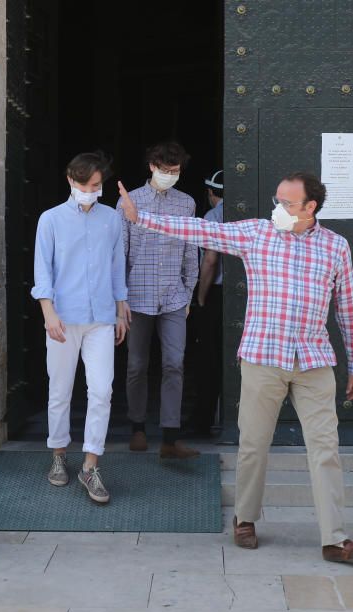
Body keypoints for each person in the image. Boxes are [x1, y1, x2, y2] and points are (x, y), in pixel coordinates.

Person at [117, 172, 353, 563]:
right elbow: (197, 230)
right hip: (262, 358)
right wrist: (142, 218)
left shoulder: (336, 247)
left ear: (311, 207)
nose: (278, 209)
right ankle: (245, 518)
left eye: (287, 203)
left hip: (314, 361)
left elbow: (348, 308)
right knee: (253, 445)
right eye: (277, 200)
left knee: (326, 450)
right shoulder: (257, 234)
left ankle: (335, 538)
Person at [31, 152, 129, 505]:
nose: (94, 191)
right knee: (60, 389)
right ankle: (58, 454)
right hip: (62, 318)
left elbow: (118, 264)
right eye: (89, 185)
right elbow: (43, 268)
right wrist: (48, 311)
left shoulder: (111, 219)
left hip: (101, 317)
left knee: (102, 390)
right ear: (72, 181)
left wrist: (121, 306)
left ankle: (91, 464)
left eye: (98, 186)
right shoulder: (51, 220)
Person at [117, 141, 201, 459]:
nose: (170, 176)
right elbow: (119, 254)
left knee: (174, 364)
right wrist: (119, 300)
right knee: (137, 365)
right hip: (136, 297)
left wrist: (189, 292)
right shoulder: (129, 202)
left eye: (175, 172)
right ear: (152, 166)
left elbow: (191, 251)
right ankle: (137, 427)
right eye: (165, 171)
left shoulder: (187, 203)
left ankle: (170, 437)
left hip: (174, 296)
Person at [192, 169, 225, 436]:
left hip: (216, 294)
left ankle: (202, 421)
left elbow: (210, 261)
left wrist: (201, 297)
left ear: (211, 192)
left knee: (208, 359)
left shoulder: (212, 216)